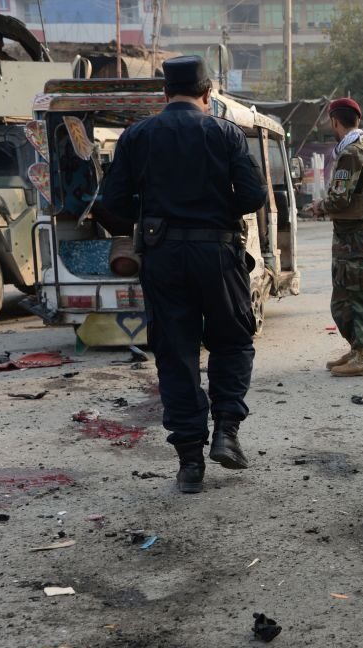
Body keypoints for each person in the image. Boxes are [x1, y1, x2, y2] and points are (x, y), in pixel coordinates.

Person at [103, 56, 266, 494]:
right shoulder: (225, 132)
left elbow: (112, 203)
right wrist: (216, 213)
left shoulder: (137, 136)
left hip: (163, 256)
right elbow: (253, 195)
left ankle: (190, 463)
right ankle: (227, 432)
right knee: (232, 340)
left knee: (176, 354)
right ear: (208, 94)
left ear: (164, 94)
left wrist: (154, 212)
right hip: (217, 254)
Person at [310, 98, 363, 378]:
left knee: (347, 299)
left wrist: (318, 206)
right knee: (354, 295)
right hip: (361, 233)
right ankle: (356, 349)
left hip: (353, 237)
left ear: (335, 122)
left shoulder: (351, 154)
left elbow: (339, 199)